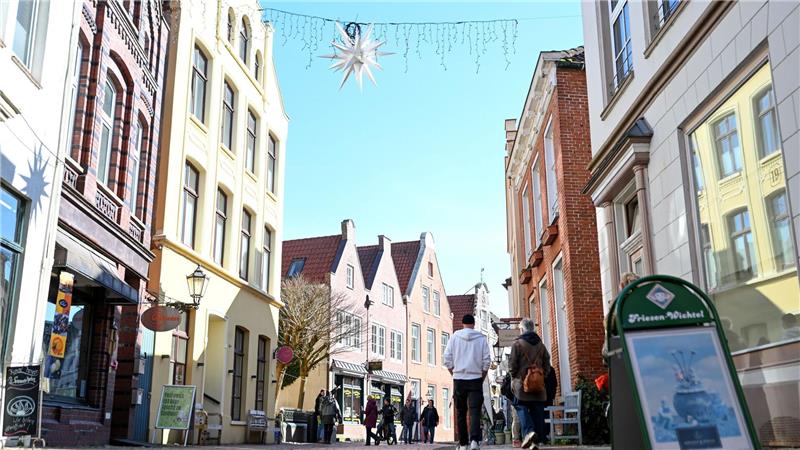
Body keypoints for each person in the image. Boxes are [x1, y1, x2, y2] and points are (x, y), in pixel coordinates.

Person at [444, 314, 492, 450]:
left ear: (462, 323)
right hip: (476, 378)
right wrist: (481, 376)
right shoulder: (481, 339)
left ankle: (463, 444)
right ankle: (474, 441)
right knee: (475, 411)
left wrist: (454, 373)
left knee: (460, 412)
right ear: (474, 324)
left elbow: (447, 358)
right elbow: (487, 361)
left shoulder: (454, 337)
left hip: (459, 378)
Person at [509, 318, 551, 450]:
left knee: (520, 406)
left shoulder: (517, 344)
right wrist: (541, 376)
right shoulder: (541, 345)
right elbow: (547, 364)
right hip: (538, 386)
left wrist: (515, 378)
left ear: (522, 329)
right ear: (533, 329)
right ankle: (535, 442)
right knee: (537, 410)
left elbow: (512, 366)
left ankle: (529, 432)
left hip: (522, 385)